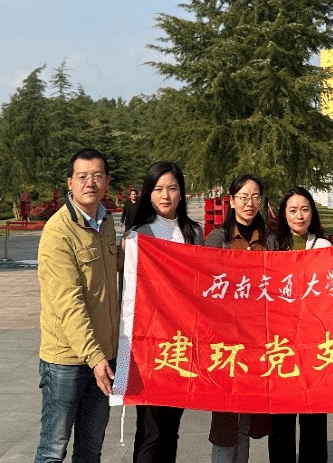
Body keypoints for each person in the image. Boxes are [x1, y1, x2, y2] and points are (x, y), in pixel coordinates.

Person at [34, 148, 121, 463]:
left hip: (103, 354)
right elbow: (68, 303)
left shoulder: (106, 222)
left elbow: (111, 268)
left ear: (106, 181)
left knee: (90, 449)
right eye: (82, 177)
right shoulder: (58, 231)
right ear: (70, 182)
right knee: (52, 450)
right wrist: (95, 358)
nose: (90, 183)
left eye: (97, 176)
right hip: (67, 360)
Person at [123, 161, 204, 463]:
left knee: (172, 428)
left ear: (182, 193)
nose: (165, 195)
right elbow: (129, 294)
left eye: (172, 188)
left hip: (182, 343)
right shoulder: (138, 235)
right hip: (151, 345)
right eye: (158, 189)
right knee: (151, 429)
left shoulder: (193, 233)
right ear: (149, 193)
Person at [205, 173, 278, 463]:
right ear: (232, 200)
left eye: (255, 197)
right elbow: (203, 288)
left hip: (259, 343)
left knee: (247, 421)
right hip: (225, 343)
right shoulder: (217, 239)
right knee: (225, 423)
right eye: (243, 197)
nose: (250, 203)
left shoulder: (270, 240)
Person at [269, 187, 331, 463]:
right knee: (281, 425)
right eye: (293, 210)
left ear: (312, 213)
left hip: (314, 346)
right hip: (280, 347)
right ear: (284, 214)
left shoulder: (324, 247)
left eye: (305, 209)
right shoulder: (273, 247)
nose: (299, 216)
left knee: (314, 422)